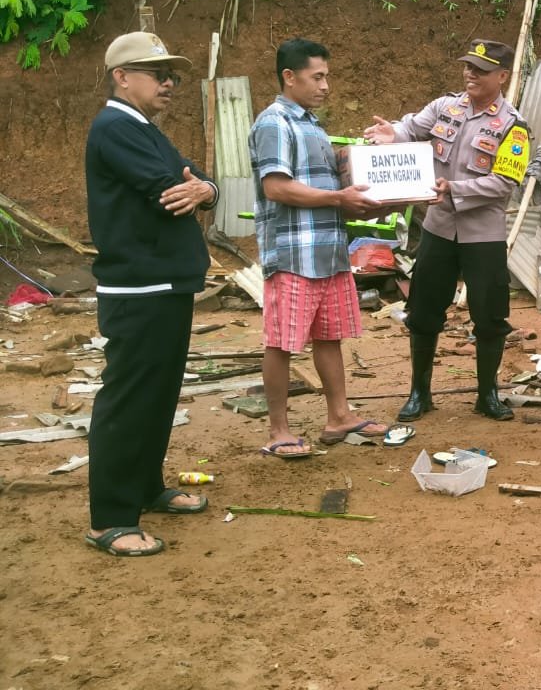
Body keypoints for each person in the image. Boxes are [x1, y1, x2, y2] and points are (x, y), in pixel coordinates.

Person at [84, 31, 219, 556]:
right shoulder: (117, 127)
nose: (169, 83)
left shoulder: (143, 128)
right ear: (122, 77)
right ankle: (110, 517)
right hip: (139, 286)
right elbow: (170, 186)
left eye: (173, 75)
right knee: (129, 398)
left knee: (158, 394)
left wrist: (205, 188)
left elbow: (195, 178)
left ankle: (144, 487)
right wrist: (196, 187)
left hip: (164, 282)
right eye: (157, 73)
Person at [364, 39, 530, 421]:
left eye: (481, 70)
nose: (470, 74)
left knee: (489, 317)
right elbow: (411, 128)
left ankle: (487, 395)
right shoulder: (445, 107)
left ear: (502, 77)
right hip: (438, 230)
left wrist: (454, 189)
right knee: (423, 312)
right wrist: (394, 134)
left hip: (483, 235)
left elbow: (504, 182)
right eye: (468, 67)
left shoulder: (513, 126)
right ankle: (419, 393)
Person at [249, 38, 389, 458]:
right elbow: (276, 187)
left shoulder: (310, 124)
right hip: (293, 254)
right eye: (318, 76)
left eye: (327, 76)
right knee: (281, 342)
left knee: (329, 337)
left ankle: (340, 416)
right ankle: (278, 431)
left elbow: (338, 188)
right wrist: (339, 199)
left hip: (327, 251)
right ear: (289, 77)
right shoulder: (275, 122)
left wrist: (404, 195)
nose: (326, 85)